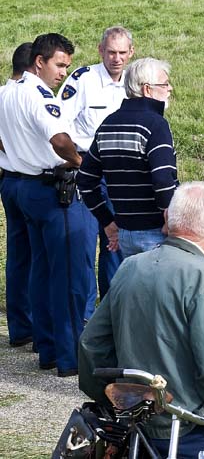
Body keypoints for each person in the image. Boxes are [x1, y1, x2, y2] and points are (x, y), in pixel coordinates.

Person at [78, 182, 204, 458]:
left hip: (136, 426)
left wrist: (112, 400)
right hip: (187, 428)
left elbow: (91, 345)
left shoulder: (129, 266)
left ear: (167, 218)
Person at [0, 33, 95, 377]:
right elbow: (58, 138)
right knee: (69, 275)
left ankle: (46, 347)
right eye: (59, 65)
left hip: (23, 183)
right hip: (52, 189)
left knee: (39, 269)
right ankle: (70, 356)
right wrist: (81, 162)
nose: (62, 73)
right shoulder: (39, 96)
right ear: (39, 61)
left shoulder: (10, 92)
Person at [57, 26, 133, 302]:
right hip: (88, 169)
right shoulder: (83, 80)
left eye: (122, 52)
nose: (116, 58)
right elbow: (59, 123)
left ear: (131, 53)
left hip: (122, 171)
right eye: (111, 52)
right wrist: (76, 162)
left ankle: (112, 311)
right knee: (84, 246)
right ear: (100, 50)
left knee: (117, 244)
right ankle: (86, 317)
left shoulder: (135, 82)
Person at [77, 57, 178, 259]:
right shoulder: (155, 124)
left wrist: (106, 221)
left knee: (131, 289)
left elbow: (85, 179)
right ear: (147, 89)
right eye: (165, 84)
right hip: (156, 232)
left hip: (124, 233)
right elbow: (162, 180)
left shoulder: (108, 123)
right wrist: (171, 219)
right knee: (159, 290)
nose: (170, 89)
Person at [0, 41, 34, 349]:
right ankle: (35, 323)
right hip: (29, 179)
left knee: (17, 254)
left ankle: (19, 325)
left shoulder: (1, 94)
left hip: (7, 179)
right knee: (38, 254)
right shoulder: (26, 95)